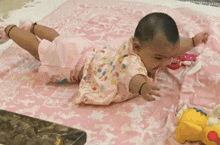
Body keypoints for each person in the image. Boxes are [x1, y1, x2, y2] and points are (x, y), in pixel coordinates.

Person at [0, 13, 209, 105]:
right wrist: (143, 87)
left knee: (59, 38)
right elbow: (132, 77)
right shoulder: (132, 60)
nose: (164, 62)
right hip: (72, 62)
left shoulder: (148, 48)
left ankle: (32, 26)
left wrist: (192, 40)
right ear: (137, 47)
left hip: (85, 48)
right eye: (158, 58)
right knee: (39, 50)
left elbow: (172, 49)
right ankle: (10, 30)